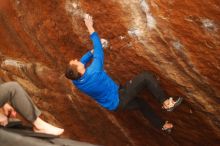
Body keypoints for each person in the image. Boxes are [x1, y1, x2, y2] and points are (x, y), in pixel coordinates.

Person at [65, 14, 183, 132]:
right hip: (119, 97)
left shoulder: (77, 81)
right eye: (75, 62)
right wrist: (90, 27)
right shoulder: (94, 71)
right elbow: (98, 49)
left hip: (113, 105)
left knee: (142, 104)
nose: (77, 59)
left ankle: (162, 125)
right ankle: (166, 102)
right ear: (80, 70)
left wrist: (91, 52)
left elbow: (82, 61)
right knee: (145, 77)